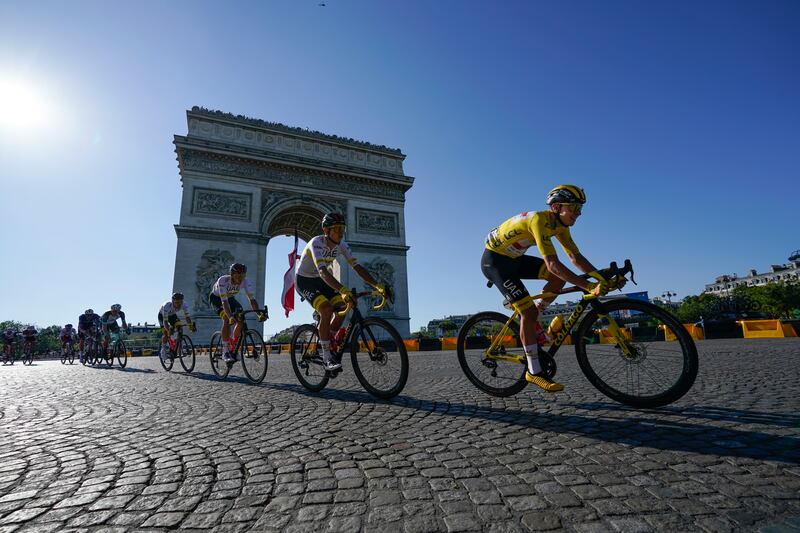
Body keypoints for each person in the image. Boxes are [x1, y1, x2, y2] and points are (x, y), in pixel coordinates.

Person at [481, 185, 622, 392]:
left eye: (580, 209)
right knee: (528, 311)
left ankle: (533, 319)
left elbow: (576, 258)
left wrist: (601, 279)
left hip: (515, 259)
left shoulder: (561, 227)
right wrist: (589, 285)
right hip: (495, 263)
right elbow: (553, 264)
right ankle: (533, 371)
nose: (578, 214)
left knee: (558, 281)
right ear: (556, 207)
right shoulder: (539, 220)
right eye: (573, 208)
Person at [295, 212, 390, 371]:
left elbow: (358, 268)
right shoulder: (316, 243)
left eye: (342, 229)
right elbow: (323, 272)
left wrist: (377, 285)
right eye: (336, 229)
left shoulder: (342, 245)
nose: (340, 232)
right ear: (326, 230)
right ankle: (327, 358)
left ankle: (329, 338)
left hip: (321, 279)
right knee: (326, 308)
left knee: (344, 306)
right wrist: (343, 290)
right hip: (305, 280)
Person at [209, 263, 267, 364]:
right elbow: (224, 302)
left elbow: (252, 299)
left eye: (242, 276)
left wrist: (258, 313)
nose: (240, 279)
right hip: (217, 299)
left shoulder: (245, 282)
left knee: (241, 318)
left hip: (230, 298)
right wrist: (230, 316)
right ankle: (225, 351)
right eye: (237, 276)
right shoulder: (223, 281)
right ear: (231, 275)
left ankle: (233, 345)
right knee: (227, 319)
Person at [158, 292, 196, 361]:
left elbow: (187, 317)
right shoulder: (167, 306)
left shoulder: (184, 305)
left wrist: (190, 326)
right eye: (176, 302)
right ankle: (163, 349)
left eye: (180, 302)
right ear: (172, 301)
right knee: (166, 333)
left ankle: (178, 346)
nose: (178, 305)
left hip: (172, 316)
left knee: (180, 326)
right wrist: (168, 330)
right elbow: (165, 321)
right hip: (162, 317)